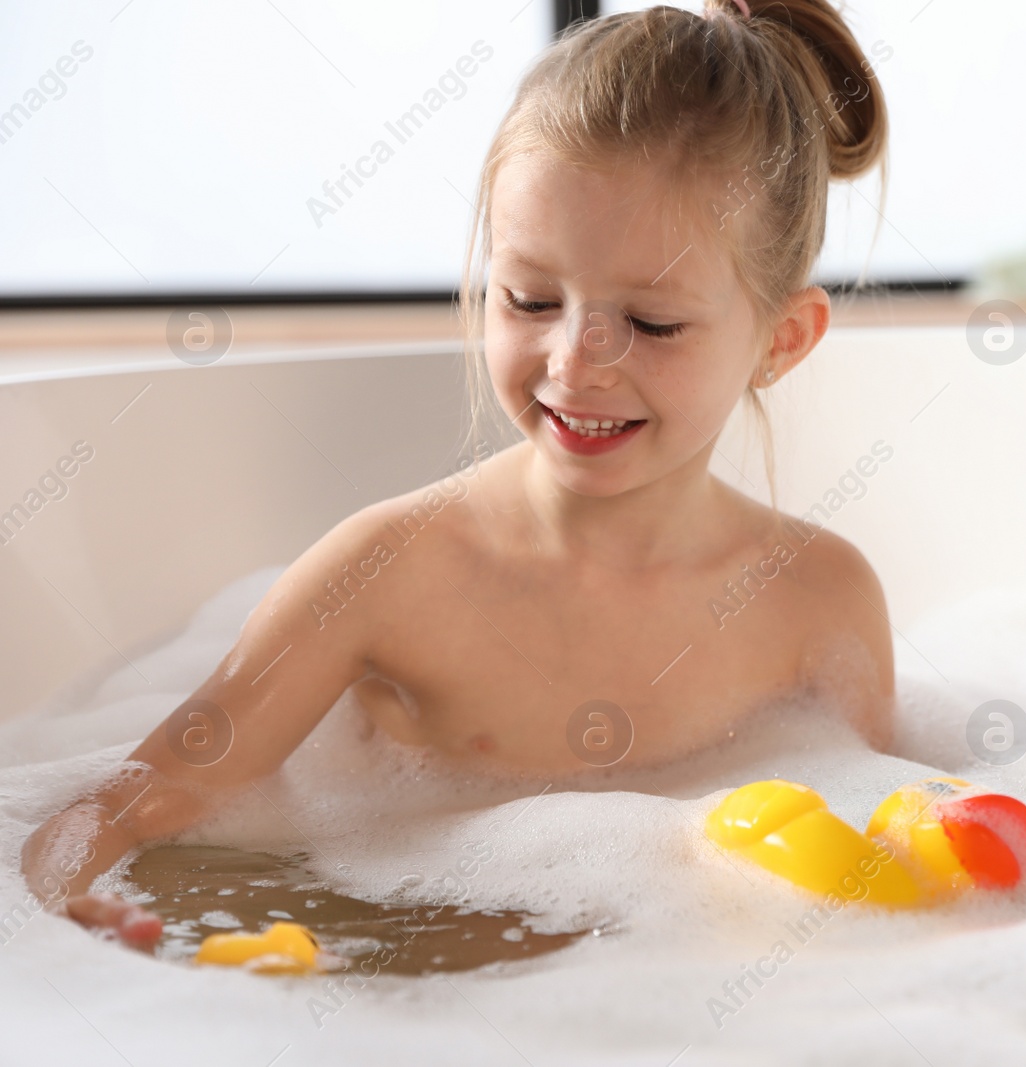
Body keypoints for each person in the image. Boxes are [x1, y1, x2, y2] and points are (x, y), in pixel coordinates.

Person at [22, 0, 893, 947]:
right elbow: (134, 799)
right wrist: (77, 909)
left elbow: (873, 866)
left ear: (782, 339)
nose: (575, 359)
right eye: (529, 298)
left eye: (651, 322)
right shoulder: (387, 572)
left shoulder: (821, 605)